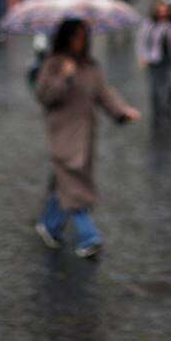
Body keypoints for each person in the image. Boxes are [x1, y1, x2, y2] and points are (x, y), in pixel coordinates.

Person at [33, 18, 139, 256]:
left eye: (83, 36)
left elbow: (104, 94)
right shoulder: (54, 64)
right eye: (75, 36)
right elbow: (44, 96)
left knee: (64, 182)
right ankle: (89, 236)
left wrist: (122, 112)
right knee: (76, 186)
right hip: (63, 135)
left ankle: (49, 226)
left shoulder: (91, 66)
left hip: (86, 134)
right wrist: (65, 78)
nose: (79, 41)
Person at [136, 0, 171, 124]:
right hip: (154, 60)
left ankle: (168, 110)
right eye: (160, 11)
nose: (163, 13)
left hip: (170, 60)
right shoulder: (149, 24)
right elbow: (142, 41)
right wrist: (143, 57)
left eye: (165, 11)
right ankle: (157, 113)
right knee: (155, 89)